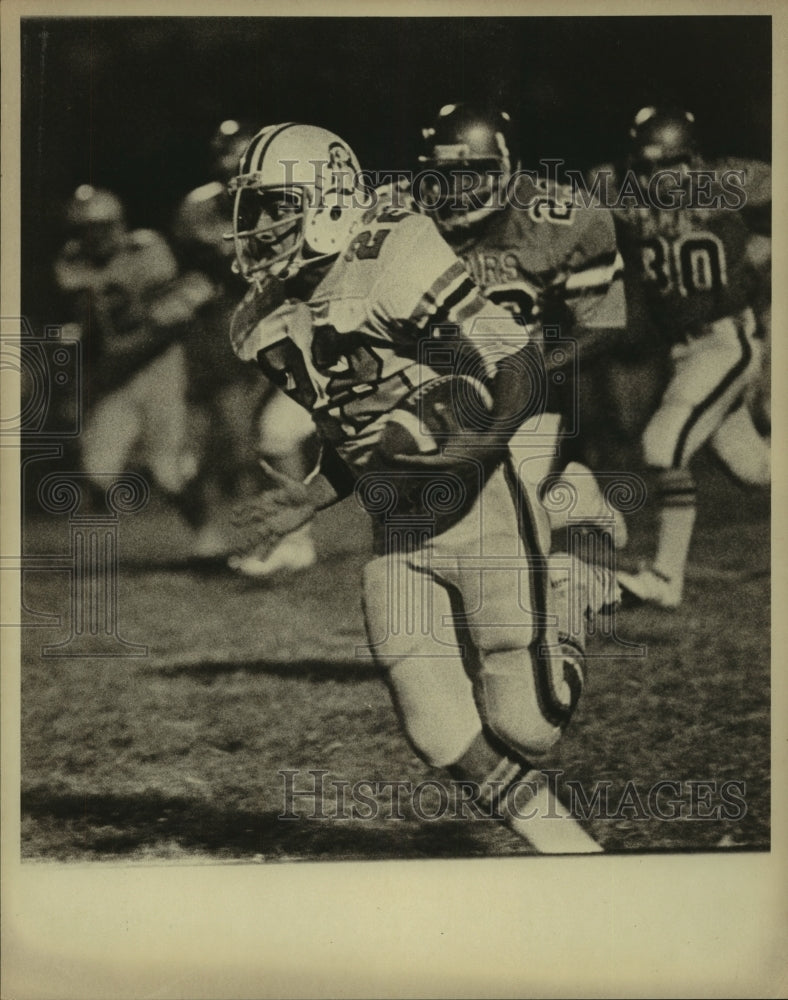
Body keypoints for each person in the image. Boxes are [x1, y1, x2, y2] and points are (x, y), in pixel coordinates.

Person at [226, 122, 619, 853]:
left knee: (528, 723)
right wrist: (312, 496)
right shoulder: (261, 321)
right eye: (252, 210)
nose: (255, 228)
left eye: (274, 204)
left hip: (481, 506)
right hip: (396, 532)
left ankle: (567, 586)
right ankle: (575, 854)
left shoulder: (396, 253)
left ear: (328, 201)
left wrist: (482, 440)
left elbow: (518, 364)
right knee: (438, 731)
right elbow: (357, 434)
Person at [410, 102, 630, 551]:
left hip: (528, 388)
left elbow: (604, 322)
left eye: (467, 174)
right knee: (448, 516)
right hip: (447, 384)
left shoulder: (561, 219)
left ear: (504, 170)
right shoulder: (408, 219)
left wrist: (535, 364)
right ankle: (570, 495)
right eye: (441, 176)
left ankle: (571, 503)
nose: (452, 190)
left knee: (511, 522)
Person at [593, 107, 771, 609]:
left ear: (694, 160)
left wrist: (764, 249)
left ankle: (666, 578)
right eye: (649, 168)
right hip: (683, 351)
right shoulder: (618, 190)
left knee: (662, 444)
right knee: (753, 468)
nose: (659, 179)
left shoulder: (730, 182)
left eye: (670, 166)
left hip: (725, 340)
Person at [172, 119, 318, 572]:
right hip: (238, 332)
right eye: (224, 154)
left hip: (297, 324)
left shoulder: (287, 199)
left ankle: (294, 535)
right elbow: (201, 275)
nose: (230, 164)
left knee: (275, 432)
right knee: (255, 438)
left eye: (239, 154)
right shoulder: (199, 208)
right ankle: (288, 536)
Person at [54, 184, 213, 528]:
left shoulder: (146, 250)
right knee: (97, 468)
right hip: (118, 374)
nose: (94, 237)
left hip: (159, 367)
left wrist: (117, 360)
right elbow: (90, 328)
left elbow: (171, 323)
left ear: (118, 224)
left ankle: (209, 542)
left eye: (101, 227)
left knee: (170, 472)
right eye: (85, 230)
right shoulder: (73, 262)